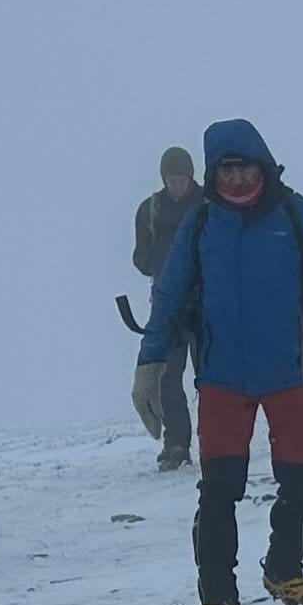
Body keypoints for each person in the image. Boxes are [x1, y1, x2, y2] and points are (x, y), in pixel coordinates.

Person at [135, 120, 303, 605]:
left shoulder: (294, 214)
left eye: (245, 168)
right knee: (220, 489)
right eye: (227, 171)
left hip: (289, 372)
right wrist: (151, 362)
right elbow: (167, 298)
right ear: (213, 174)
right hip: (221, 380)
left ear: (264, 166)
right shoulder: (200, 226)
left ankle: (284, 569)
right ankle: (219, 601)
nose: (236, 180)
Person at [130, 145, 201, 470]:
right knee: (168, 378)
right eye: (172, 179)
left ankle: (216, 442)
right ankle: (176, 444)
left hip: (205, 302)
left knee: (211, 377)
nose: (178, 185)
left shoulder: (208, 204)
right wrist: (169, 260)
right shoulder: (150, 210)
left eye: (182, 179)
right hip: (167, 304)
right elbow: (141, 260)